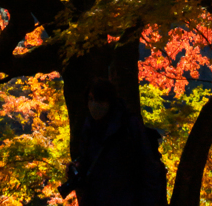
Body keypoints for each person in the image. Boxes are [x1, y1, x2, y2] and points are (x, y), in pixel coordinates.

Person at [65, 78, 162, 206]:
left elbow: (148, 167)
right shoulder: (89, 127)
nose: (93, 104)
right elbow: (88, 161)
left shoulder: (128, 125)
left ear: (108, 101)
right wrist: (77, 169)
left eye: (98, 99)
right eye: (90, 99)